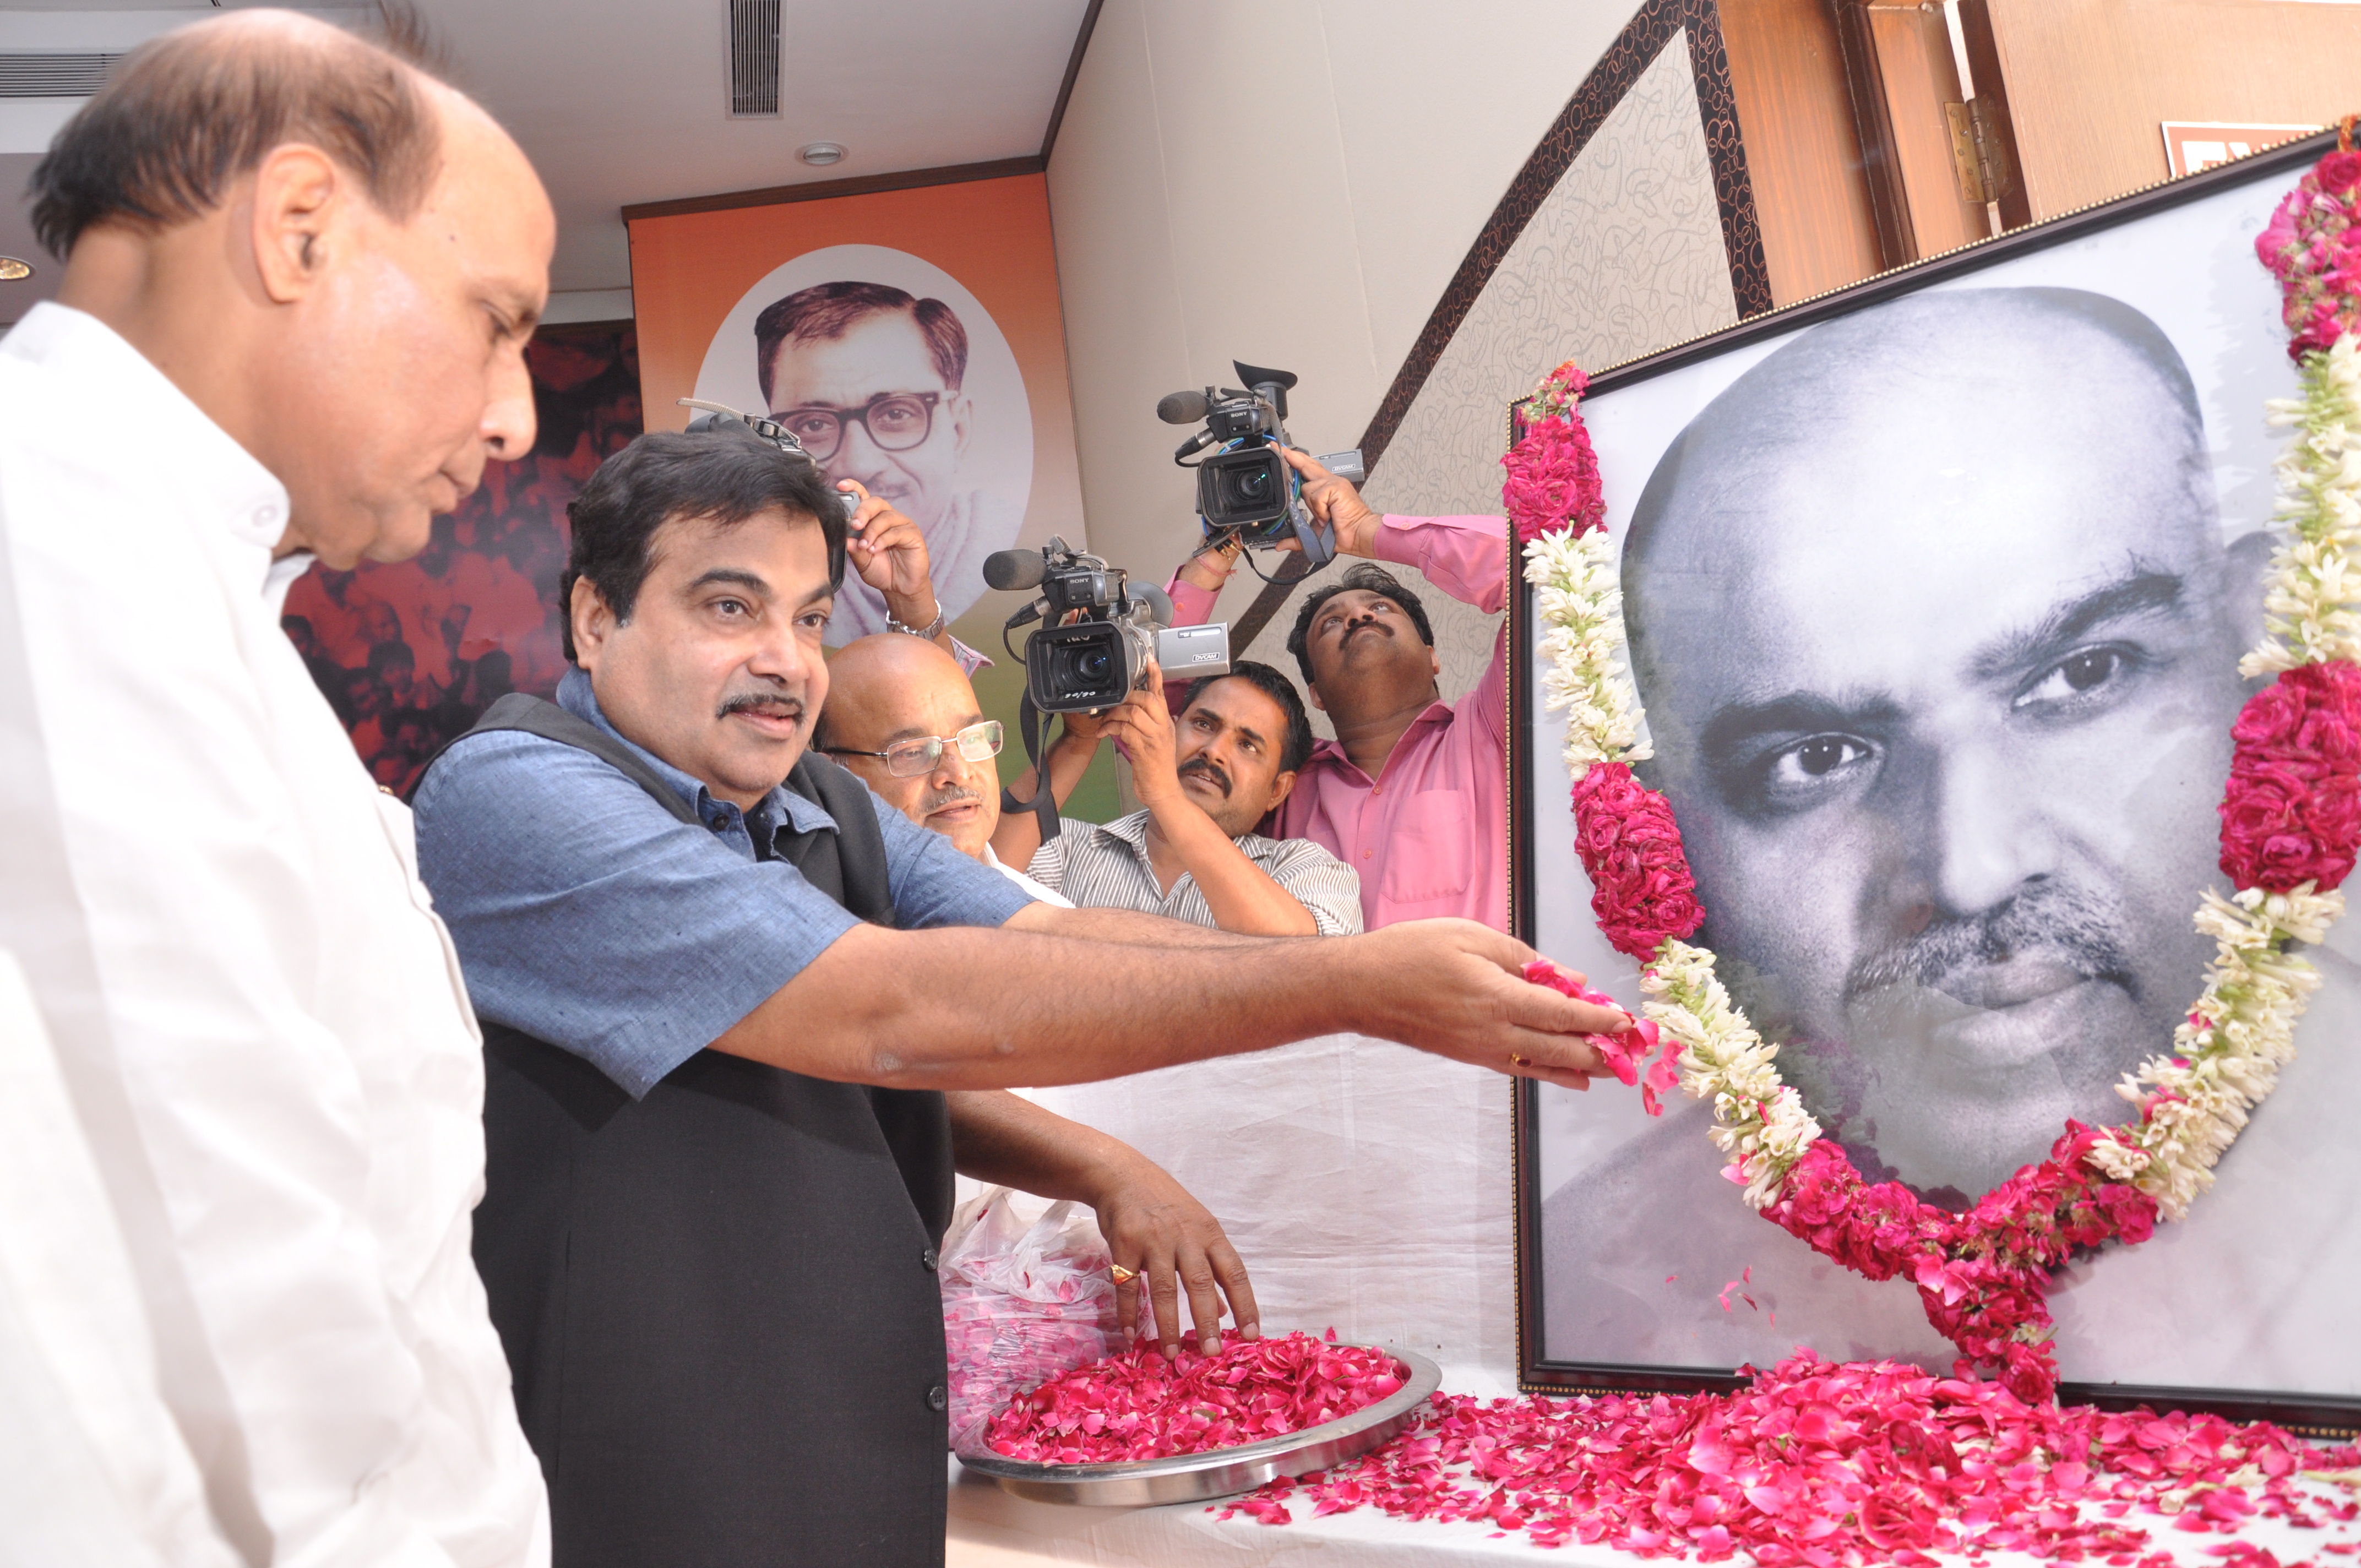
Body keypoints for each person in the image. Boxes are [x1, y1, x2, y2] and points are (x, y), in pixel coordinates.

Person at [411, 424, 1625, 1568]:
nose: (782, 660)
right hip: (650, 1475)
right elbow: (878, 1011)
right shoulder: (517, 795)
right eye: (728, 606)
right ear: (592, 617)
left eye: (806, 616)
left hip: (850, 1448)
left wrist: (1329, 985)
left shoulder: (816, 811)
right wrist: (1347, 985)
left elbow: (1058, 931)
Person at [1535, 287, 2361, 1391]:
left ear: (2261, 654)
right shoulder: (1607, 1289)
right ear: (1660, 838)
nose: (1967, 869)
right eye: (1814, 759)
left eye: (2079, 676)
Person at [0, 10, 556, 1564]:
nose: (516, 414)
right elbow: (240, 1326)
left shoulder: (187, 579)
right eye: (495, 317)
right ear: (300, 226)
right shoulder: (51, 543)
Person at [1172, 478, 1511, 933]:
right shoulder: (1278, 782)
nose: (1359, 616)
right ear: (1316, 692)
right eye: (1332, 623)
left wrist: (1368, 531)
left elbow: (1544, 574)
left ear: (1433, 657)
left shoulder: (1492, 729)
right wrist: (1218, 551)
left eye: (1382, 609)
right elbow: (1152, 715)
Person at [1004, 660, 1362, 935]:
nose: (1214, 751)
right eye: (1204, 724)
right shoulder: (1065, 848)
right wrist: (1079, 738)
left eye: (1247, 745)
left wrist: (1167, 797)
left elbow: (1308, 962)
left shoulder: (1309, 870)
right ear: (1171, 730)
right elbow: (973, 884)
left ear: (1278, 790)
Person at [757, 280, 1024, 640]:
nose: (860, 465)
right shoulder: (750, 568)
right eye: (815, 424)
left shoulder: (1020, 563)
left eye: (896, 414)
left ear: (958, 429)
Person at [818, 631, 1073, 900]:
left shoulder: (1051, 914)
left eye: (973, 737)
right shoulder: (813, 934)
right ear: (831, 778)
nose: (960, 773)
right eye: (913, 752)